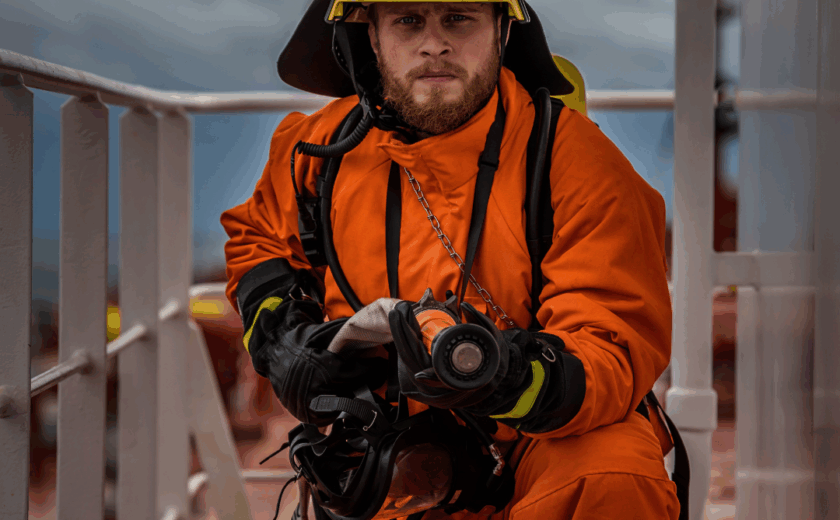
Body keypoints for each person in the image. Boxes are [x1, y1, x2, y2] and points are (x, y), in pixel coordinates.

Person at [221, 0, 681, 518]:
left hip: (538, 443)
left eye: (458, 17)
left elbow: (610, 348)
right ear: (371, 35)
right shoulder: (312, 150)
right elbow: (257, 241)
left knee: (613, 477)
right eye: (408, 20)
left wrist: (507, 376)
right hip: (391, 449)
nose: (434, 43)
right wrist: (283, 342)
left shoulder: (582, 166)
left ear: (502, 31)